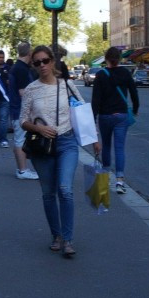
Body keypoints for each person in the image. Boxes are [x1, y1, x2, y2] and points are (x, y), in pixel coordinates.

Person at [21, 45, 99, 257]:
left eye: (45, 60)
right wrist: (39, 128)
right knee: (48, 193)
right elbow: (22, 120)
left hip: (66, 142)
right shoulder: (31, 89)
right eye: (37, 62)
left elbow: (82, 112)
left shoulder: (67, 85)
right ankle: (56, 235)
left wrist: (94, 139)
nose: (42, 65)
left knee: (65, 189)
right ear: (33, 65)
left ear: (52, 61)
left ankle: (68, 239)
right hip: (42, 146)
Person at [92, 46, 139, 195]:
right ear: (119, 59)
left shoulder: (100, 75)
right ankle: (119, 181)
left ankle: (105, 177)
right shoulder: (125, 73)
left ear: (106, 59)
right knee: (119, 148)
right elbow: (134, 92)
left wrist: (93, 117)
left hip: (105, 115)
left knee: (106, 146)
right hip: (121, 115)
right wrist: (135, 109)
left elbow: (96, 99)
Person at [9, 42, 38, 180]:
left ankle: (22, 169)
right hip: (21, 110)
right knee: (20, 140)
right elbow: (23, 92)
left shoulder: (17, 67)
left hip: (17, 109)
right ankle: (22, 170)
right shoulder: (21, 69)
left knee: (19, 139)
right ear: (29, 53)